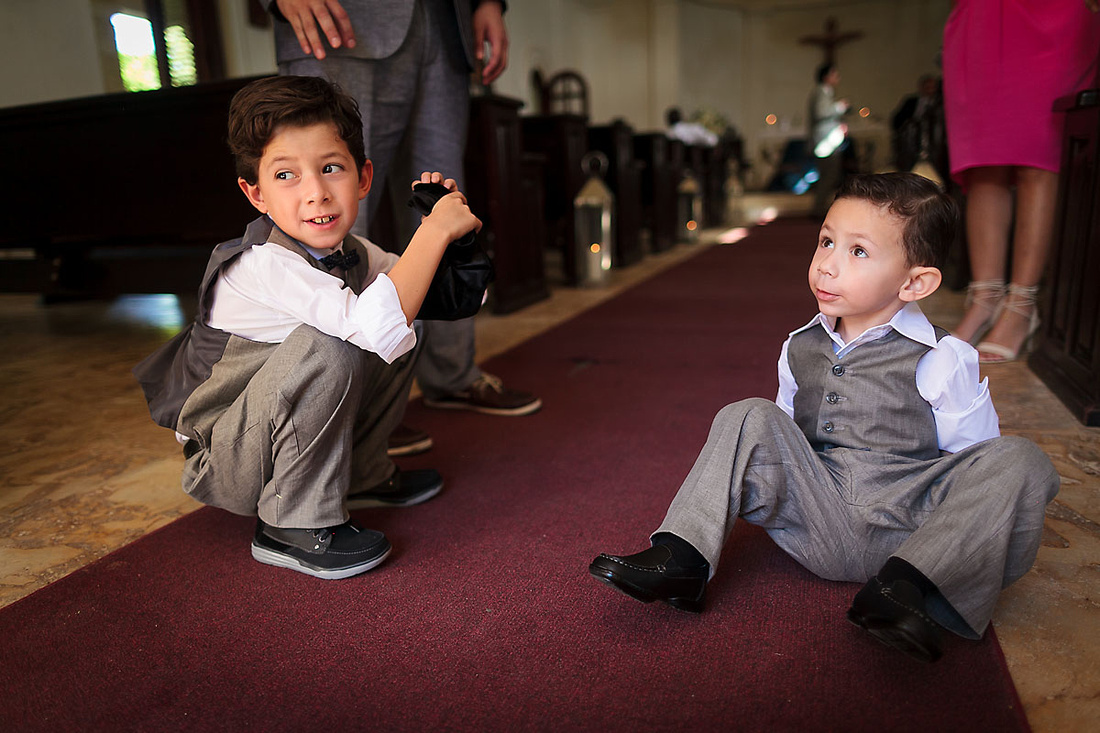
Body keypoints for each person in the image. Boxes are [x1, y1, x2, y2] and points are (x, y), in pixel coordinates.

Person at [589, 172, 1059, 664]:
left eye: (857, 252)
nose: (827, 266)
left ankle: (905, 590)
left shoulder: (944, 356)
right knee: (749, 414)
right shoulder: (798, 347)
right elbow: (780, 443)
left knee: (1018, 459)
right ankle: (682, 557)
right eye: (826, 242)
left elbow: (973, 463)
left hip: (912, 528)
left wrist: (947, 524)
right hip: (819, 517)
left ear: (915, 282)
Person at [133, 75, 482, 580]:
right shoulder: (260, 264)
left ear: (362, 178)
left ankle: (361, 473)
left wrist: (456, 239)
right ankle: (290, 523)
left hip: (262, 435)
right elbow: (374, 325)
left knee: (405, 318)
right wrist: (431, 232)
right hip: (227, 458)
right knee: (334, 343)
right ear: (255, 194)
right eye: (286, 176)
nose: (317, 193)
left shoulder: (355, 254)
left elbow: (433, 301)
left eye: (331, 168)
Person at [270, 0, 540, 460]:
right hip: (340, 21)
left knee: (442, 202)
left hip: (443, 23)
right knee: (328, 208)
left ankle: (453, 374)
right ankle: (349, 408)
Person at [944, 0, 1100, 362]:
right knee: (984, 161)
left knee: (1038, 153)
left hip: (1055, 13)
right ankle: (984, 299)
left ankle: (1022, 305)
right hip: (983, 15)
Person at [807, 62, 850, 216]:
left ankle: (821, 208)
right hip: (825, 141)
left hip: (829, 139)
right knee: (828, 174)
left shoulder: (826, 92)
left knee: (830, 174)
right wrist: (839, 107)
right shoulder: (821, 91)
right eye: (834, 74)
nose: (837, 78)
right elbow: (821, 113)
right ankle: (818, 209)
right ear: (826, 76)